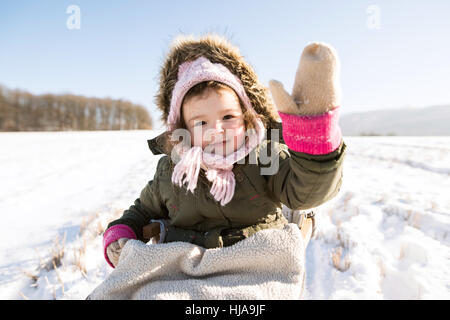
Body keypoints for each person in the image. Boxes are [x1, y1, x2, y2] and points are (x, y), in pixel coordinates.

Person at [103, 33, 346, 268]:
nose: (217, 130)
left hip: (256, 265)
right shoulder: (172, 171)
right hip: (185, 272)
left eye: (228, 116)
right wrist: (122, 231)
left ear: (247, 118)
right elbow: (143, 210)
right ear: (182, 129)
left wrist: (314, 146)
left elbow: (305, 192)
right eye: (201, 123)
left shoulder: (265, 156)